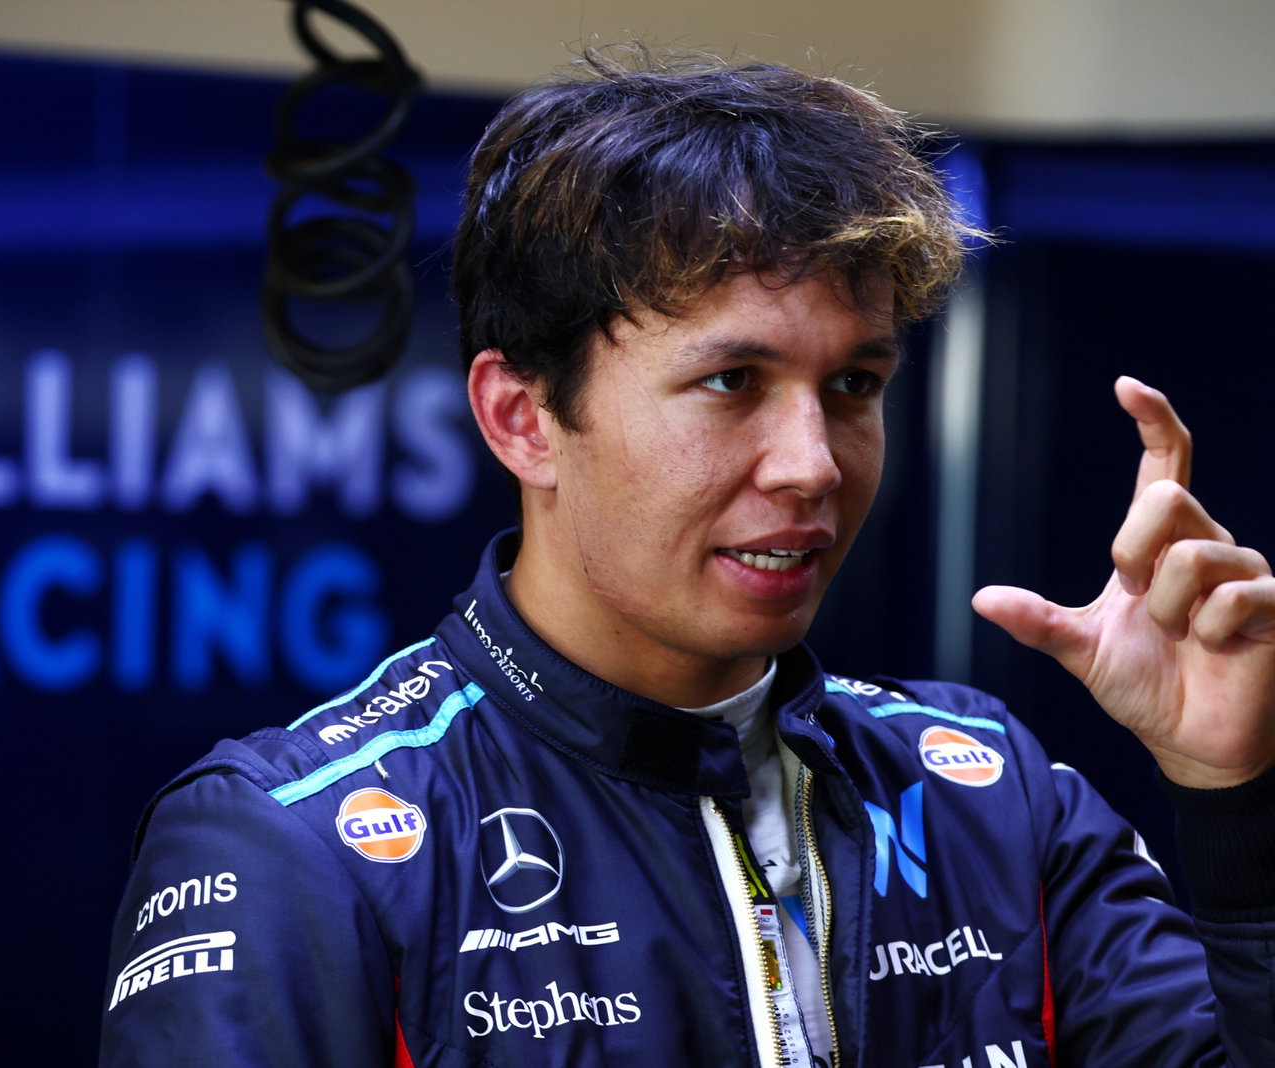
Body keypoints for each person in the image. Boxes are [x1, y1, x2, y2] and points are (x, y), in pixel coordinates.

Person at [99, 52, 1275, 1067]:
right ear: (521, 418)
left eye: (853, 385)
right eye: (731, 383)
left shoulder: (991, 798)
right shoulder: (294, 844)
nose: (812, 464)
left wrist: (1235, 796)